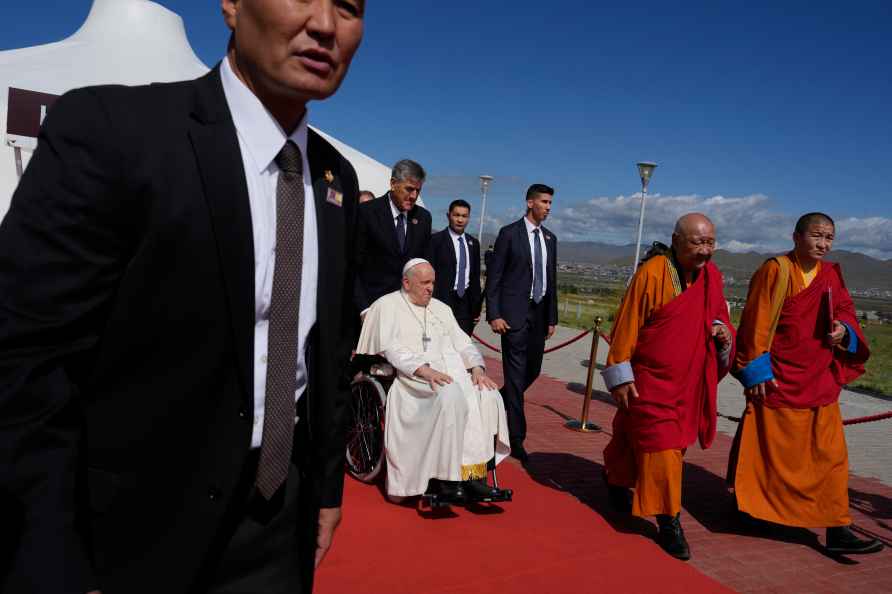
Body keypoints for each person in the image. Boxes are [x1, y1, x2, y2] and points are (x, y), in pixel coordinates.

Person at [0, 1, 365, 593]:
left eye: (348, 6)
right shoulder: (115, 131)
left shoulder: (335, 179)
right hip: (126, 534)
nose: (325, 24)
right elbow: (26, 361)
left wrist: (324, 488)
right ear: (232, 6)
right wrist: (55, 558)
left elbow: (325, 354)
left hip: (278, 520)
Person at [728, 212, 882, 555]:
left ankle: (837, 526)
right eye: (817, 236)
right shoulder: (776, 270)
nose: (823, 244)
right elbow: (755, 321)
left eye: (829, 238)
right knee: (767, 455)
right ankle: (749, 506)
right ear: (796, 236)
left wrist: (844, 331)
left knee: (831, 457)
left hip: (820, 379)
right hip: (779, 379)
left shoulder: (830, 274)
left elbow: (845, 309)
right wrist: (755, 371)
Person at [601, 214, 734, 561]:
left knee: (633, 435)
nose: (706, 250)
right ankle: (669, 519)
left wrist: (722, 331)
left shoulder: (713, 277)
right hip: (651, 380)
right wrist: (621, 375)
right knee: (663, 449)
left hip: (689, 382)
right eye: (698, 242)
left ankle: (616, 480)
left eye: (710, 243)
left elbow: (719, 314)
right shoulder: (653, 273)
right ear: (676, 240)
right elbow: (628, 323)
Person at [355, 259, 510, 503]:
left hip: (451, 374)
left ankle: (475, 476)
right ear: (406, 283)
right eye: (424, 283)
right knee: (450, 395)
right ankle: (446, 479)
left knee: (487, 394)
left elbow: (463, 343)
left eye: (433, 283)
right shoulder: (387, 306)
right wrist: (423, 370)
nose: (430, 288)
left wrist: (477, 368)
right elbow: (392, 348)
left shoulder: (441, 308)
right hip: (413, 380)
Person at [485, 183, 558, 463]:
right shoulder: (509, 234)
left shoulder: (550, 239)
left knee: (533, 370)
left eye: (550, 203)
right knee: (515, 377)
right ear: (530, 203)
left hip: (539, 316)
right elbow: (495, 277)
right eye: (544, 202)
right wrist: (494, 313)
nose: (548, 207)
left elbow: (551, 280)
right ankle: (517, 439)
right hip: (513, 316)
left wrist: (552, 317)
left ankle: (496, 404)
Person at [353, 159, 432, 315]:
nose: (414, 196)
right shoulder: (366, 213)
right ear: (393, 184)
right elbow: (353, 266)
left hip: (408, 309)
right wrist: (363, 309)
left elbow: (423, 263)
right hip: (371, 308)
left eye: (418, 191)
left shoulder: (423, 218)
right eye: (409, 189)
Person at [425, 199, 483, 336]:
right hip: (441, 301)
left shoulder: (473, 243)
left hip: (465, 305)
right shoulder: (435, 241)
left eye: (464, 216)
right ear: (448, 216)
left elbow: (474, 277)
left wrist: (476, 308)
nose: (460, 220)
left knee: (462, 347)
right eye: (456, 215)